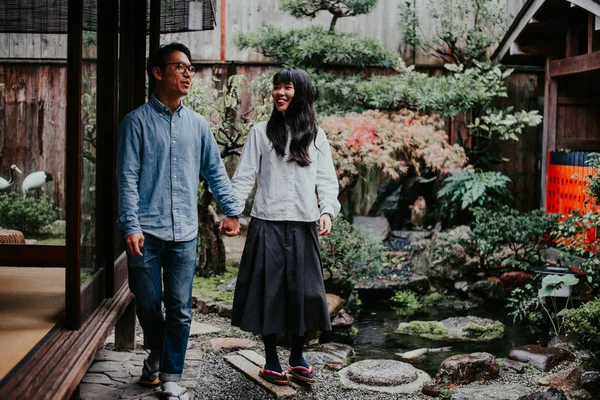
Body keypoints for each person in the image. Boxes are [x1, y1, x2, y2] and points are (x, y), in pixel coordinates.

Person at [116, 42, 241, 400]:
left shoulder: (199, 126)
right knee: (147, 302)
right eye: (180, 67)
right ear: (158, 73)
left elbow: (215, 172)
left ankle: (170, 375)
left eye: (191, 68)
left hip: (185, 231)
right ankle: (157, 354)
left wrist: (231, 210)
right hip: (146, 231)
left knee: (181, 308)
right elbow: (127, 177)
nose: (188, 74)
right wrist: (131, 224)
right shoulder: (135, 123)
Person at [230, 67, 341, 385]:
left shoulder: (317, 135)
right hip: (267, 224)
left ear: (301, 92)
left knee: (306, 294)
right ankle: (270, 359)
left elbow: (326, 180)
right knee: (270, 293)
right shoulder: (260, 132)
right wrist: (233, 213)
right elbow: (244, 178)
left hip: (304, 225)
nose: (280, 92)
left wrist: (327, 211)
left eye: (287, 87)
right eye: (277, 87)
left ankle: (296, 355)